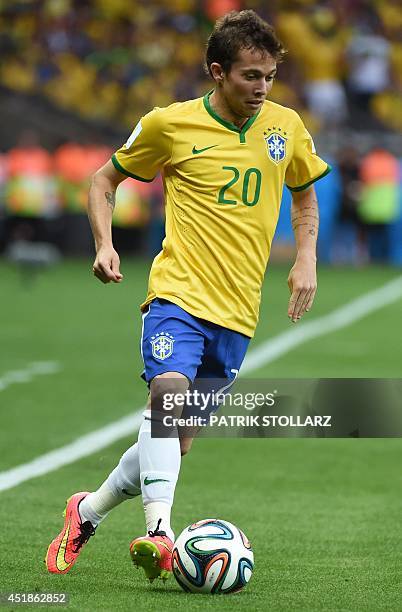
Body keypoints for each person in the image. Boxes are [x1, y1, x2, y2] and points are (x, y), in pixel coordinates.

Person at [45, 10, 330, 582]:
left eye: (270, 76)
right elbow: (103, 181)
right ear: (217, 71)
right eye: (251, 76)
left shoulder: (285, 128)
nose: (262, 88)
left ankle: (89, 510)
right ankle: (159, 532)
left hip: (238, 313)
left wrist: (305, 258)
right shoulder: (168, 125)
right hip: (178, 294)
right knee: (167, 398)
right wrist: (104, 244)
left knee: (176, 442)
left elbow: (303, 199)